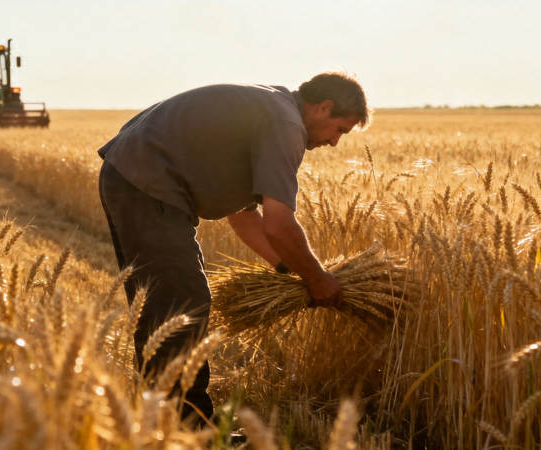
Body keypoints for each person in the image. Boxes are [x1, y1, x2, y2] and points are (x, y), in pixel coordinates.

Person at [97, 72, 370, 424]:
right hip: (146, 182)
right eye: (339, 130)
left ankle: (163, 421)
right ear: (324, 107)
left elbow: (243, 216)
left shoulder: (272, 108)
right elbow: (279, 223)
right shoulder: (286, 124)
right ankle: (187, 427)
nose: (334, 142)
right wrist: (317, 279)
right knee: (181, 304)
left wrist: (288, 272)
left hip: (131, 174)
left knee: (163, 303)